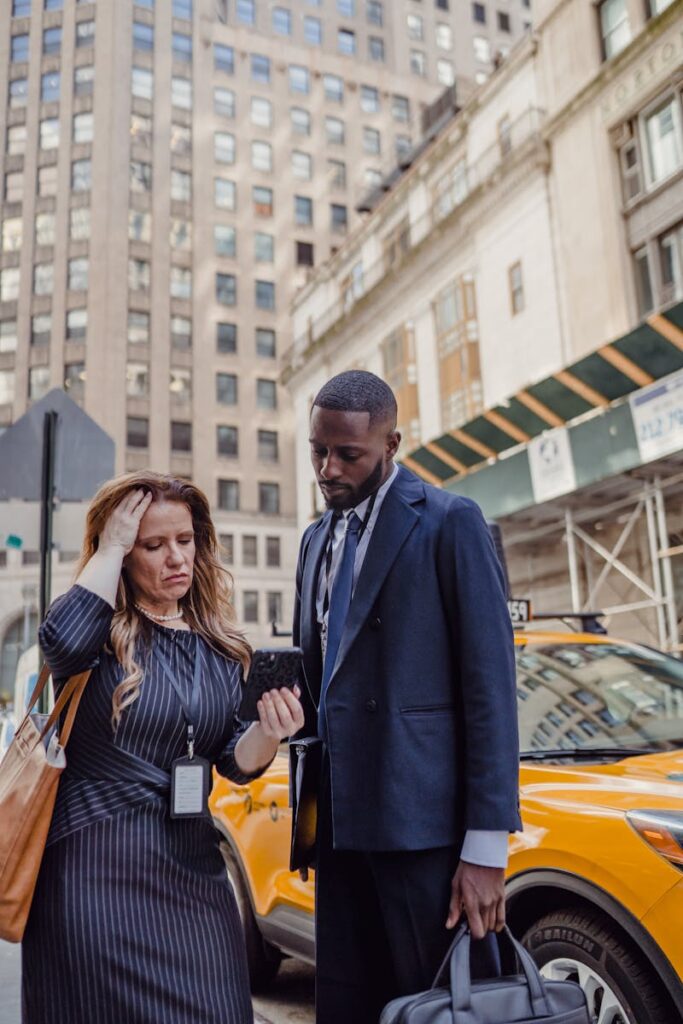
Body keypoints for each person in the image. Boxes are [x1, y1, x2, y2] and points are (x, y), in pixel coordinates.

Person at [23, 472, 304, 1024]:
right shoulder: (96, 632)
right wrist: (111, 545)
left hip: (193, 870)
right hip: (95, 874)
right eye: (153, 545)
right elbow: (60, 644)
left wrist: (269, 732)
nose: (175, 557)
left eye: (185, 539)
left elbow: (231, 761)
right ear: (125, 553)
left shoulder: (221, 644)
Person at [292, 371, 521, 1024]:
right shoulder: (316, 540)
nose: (327, 468)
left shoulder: (451, 522)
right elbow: (319, 685)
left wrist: (485, 850)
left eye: (347, 454)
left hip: (426, 836)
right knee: (351, 1005)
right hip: (339, 831)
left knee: (441, 1010)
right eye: (317, 450)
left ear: (391, 443)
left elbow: (489, 692)